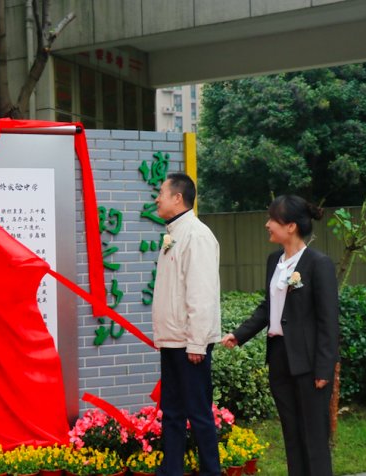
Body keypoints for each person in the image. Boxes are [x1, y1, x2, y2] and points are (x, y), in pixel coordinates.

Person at [221, 194, 339, 476]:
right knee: (292, 434)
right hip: (279, 357)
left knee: (314, 438)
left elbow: (328, 321)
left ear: (291, 227)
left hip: (310, 365)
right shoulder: (275, 260)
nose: (267, 224)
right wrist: (239, 335)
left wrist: (324, 368)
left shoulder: (318, 263)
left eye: (273, 219)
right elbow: (269, 307)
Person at [151, 173, 222, 476]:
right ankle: (172, 470)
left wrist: (196, 342)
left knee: (199, 414)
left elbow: (201, 294)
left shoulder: (197, 235)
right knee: (173, 413)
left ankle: (211, 471)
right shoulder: (175, 233)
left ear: (177, 198)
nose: (157, 198)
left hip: (189, 344)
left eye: (162, 193)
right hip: (172, 341)